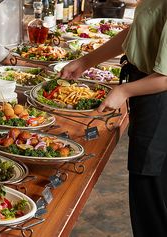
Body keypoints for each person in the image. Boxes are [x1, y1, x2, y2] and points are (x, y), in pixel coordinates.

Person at [56, 0, 167, 236]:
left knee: (150, 184)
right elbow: (136, 31)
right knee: (145, 181)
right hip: (146, 88)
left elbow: (166, 78)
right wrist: (85, 61)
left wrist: (124, 90)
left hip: (158, 97)